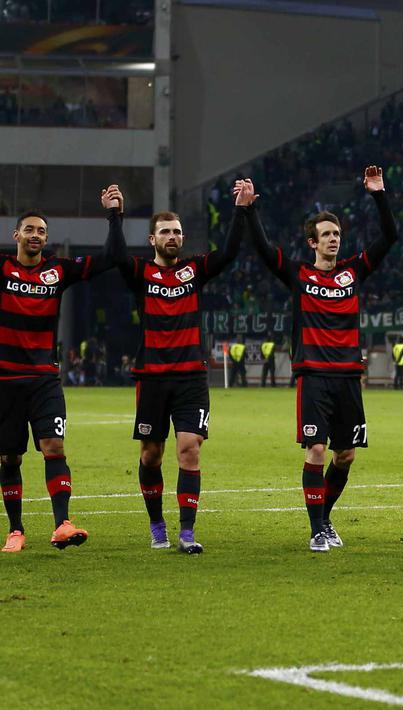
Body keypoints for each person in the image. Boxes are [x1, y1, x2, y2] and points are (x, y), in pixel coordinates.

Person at [246, 167, 399, 552]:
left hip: (348, 375)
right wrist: (248, 211)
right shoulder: (299, 275)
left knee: (345, 455)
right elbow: (265, 252)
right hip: (313, 375)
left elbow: (391, 236)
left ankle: (324, 517)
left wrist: (379, 194)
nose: (334, 239)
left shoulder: (353, 271)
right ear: (313, 242)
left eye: (337, 234)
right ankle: (316, 530)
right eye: (327, 235)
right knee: (315, 450)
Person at [102, 182, 245, 553]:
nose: (172, 237)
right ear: (152, 239)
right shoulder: (140, 273)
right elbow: (116, 255)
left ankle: (187, 532)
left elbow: (229, 252)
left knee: (189, 450)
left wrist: (242, 211)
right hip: (152, 377)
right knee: (151, 454)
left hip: (191, 376)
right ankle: (156, 524)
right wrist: (115, 215)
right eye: (165, 231)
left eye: (177, 232)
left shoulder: (195, 270)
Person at [0, 209, 119, 552]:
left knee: (54, 447)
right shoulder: (3, 269)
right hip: (6, 380)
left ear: (46, 239)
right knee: (10, 458)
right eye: (29, 230)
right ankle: (15, 530)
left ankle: (62, 525)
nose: (35, 235)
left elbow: (110, 257)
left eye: (40, 231)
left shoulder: (57, 271)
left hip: (44, 380)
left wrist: (114, 216)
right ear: (16, 235)